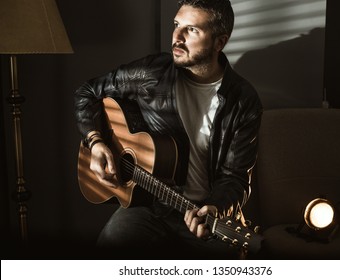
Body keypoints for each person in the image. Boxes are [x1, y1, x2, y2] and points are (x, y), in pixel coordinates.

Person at [74, 0, 262, 259]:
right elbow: (87, 93)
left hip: (201, 214)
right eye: (176, 25)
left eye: (192, 30)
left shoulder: (243, 100)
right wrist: (96, 142)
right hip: (149, 204)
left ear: (219, 42)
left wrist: (215, 208)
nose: (177, 37)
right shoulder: (152, 72)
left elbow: (236, 177)